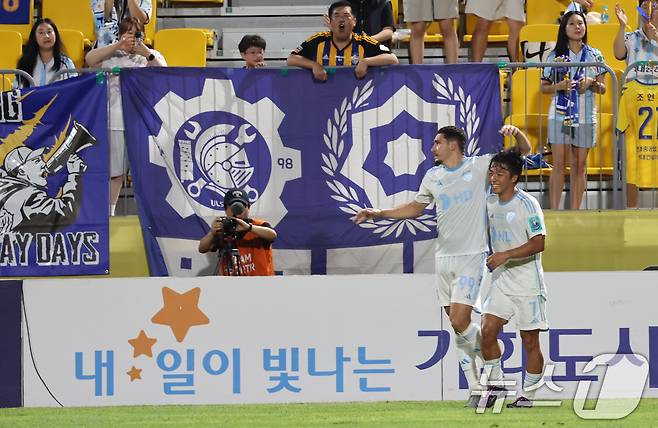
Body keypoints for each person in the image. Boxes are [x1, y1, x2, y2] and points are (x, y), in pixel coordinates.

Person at [353, 125, 531, 407]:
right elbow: (415, 208)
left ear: (453, 145)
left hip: (471, 256)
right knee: (456, 326)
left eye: (437, 143)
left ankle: (494, 374)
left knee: (461, 321)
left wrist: (517, 133)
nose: (432, 148)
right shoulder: (433, 176)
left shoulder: (480, 166)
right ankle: (479, 387)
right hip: (443, 258)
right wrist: (378, 213)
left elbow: (523, 152)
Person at [480, 148, 548, 408]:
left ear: (515, 178)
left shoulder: (527, 205)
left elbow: (539, 243)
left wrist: (505, 255)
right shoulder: (490, 202)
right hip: (501, 281)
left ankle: (527, 396)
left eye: (500, 172)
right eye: (492, 172)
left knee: (530, 341)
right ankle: (496, 387)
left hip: (528, 284)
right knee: (486, 332)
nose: (494, 177)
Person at [85, 17, 167, 216]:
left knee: (147, 172)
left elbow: (164, 73)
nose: (131, 37)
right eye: (126, 32)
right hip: (115, 118)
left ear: (143, 35)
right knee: (116, 173)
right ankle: (109, 214)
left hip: (144, 121)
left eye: (135, 32)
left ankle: (151, 217)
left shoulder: (151, 55)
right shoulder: (112, 55)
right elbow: (90, 60)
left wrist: (146, 53)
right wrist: (117, 46)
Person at [540, 10, 606, 210]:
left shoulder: (595, 54)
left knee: (579, 166)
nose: (578, 27)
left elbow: (602, 89)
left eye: (581, 23)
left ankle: (575, 213)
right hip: (560, 115)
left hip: (586, 115)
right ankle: (554, 212)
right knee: (559, 164)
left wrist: (592, 82)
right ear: (564, 29)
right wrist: (559, 86)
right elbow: (543, 87)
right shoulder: (554, 55)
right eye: (572, 24)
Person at [614, 0, 658, 207]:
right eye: (647, 5)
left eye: (655, 6)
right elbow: (618, 54)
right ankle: (632, 208)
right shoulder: (631, 37)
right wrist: (622, 25)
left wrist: (655, 37)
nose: (651, 9)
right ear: (640, 10)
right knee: (632, 158)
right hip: (634, 106)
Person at [287, 1, 398, 81]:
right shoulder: (318, 39)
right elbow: (291, 59)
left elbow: (393, 59)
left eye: (346, 16)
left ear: (354, 21)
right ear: (329, 22)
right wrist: (314, 65)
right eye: (336, 16)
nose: (341, 20)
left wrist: (366, 62)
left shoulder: (363, 41)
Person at [0, 146, 85, 233]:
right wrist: (74, 175)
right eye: (36, 161)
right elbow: (65, 214)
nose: (43, 164)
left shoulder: (6, 191)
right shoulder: (28, 196)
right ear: (22, 171)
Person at [198, 188, 277, 276]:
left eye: (241, 207)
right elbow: (202, 249)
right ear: (225, 209)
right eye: (233, 207)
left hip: (261, 285)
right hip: (232, 286)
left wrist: (249, 228)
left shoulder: (259, 226)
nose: (237, 212)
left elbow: (272, 235)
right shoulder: (223, 228)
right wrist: (212, 233)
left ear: (248, 208)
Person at [15, 18, 75, 88]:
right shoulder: (24, 62)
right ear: (34, 37)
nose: (46, 36)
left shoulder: (66, 63)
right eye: (41, 33)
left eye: (49, 32)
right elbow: (17, 91)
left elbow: (73, 90)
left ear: (56, 35)